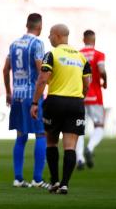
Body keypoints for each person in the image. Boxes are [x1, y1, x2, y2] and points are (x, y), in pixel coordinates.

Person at [30, 24, 91, 195]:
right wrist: (79, 98)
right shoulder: (81, 57)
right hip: (76, 102)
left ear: (57, 35)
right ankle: (64, 184)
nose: (49, 38)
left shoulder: (52, 54)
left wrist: (35, 103)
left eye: (50, 35)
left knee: (51, 142)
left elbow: (42, 79)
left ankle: (55, 181)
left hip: (56, 101)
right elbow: (87, 84)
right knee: (70, 146)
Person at [2, 13, 48, 188]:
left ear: (26, 25)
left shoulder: (14, 44)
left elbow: (5, 69)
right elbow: (40, 69)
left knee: (21, 135)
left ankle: (18, 178)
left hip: (17, 95)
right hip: (31, 94)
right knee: (41, 134)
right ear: (40, 26)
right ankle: (37, 179)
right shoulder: (37, 43)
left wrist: (8, 92)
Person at [75, 30, 107, 170]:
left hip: (80, 96)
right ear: (94, 40)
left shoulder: (77, 55)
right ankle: (90, 147)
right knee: (99, 126)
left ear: (83, 39)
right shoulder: (99, 55)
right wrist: (104, 81)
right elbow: (102, 70)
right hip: (95, 96)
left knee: (79, 129)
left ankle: (80, 158)